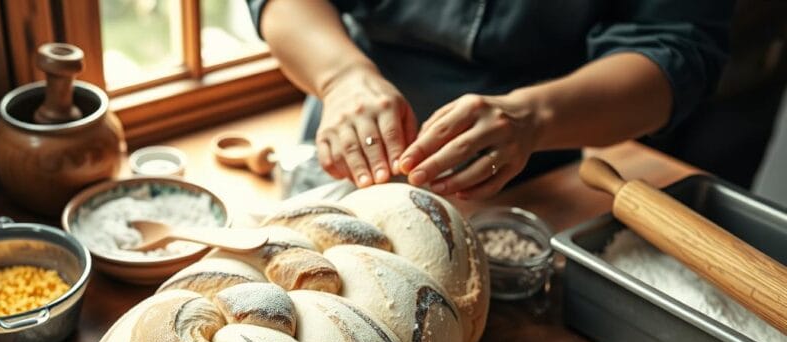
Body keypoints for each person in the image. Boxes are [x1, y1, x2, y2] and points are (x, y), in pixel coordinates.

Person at [248, 0, 733, 200]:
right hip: (350, 138)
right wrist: (341, 77)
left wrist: (535, 118)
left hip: (534, 167)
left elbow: (676, 49)